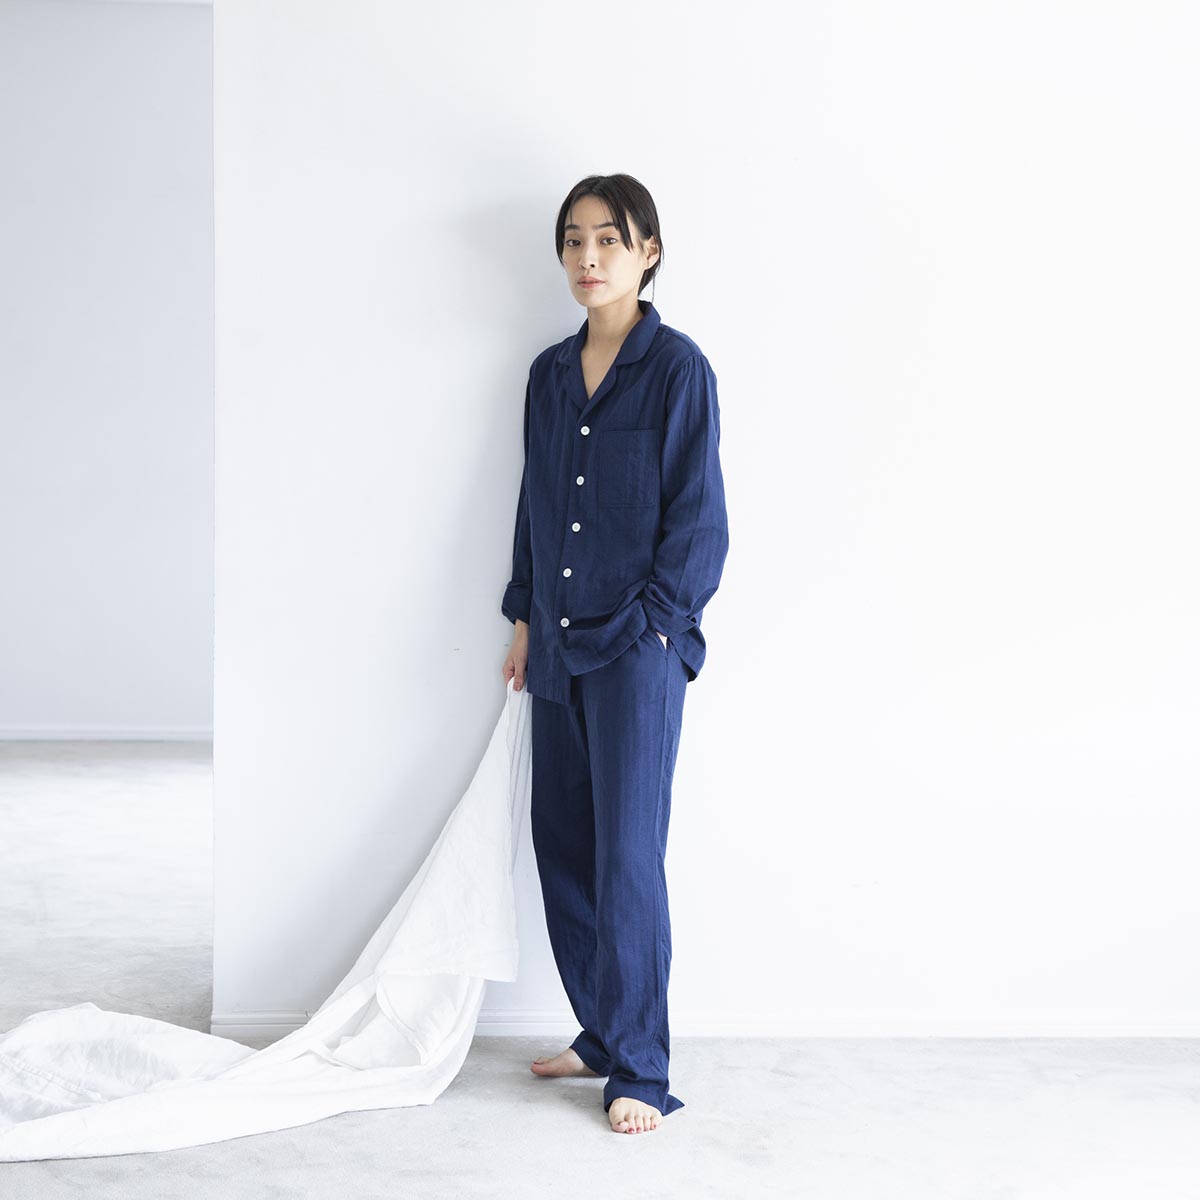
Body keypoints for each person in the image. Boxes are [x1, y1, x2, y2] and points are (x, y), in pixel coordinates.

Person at [500, 173, 729, 1135]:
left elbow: (700, 520)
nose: (587, 258)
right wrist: (522, 614)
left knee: (628, 856)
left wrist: (657, 627)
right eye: (573, 240)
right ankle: (601, 1031)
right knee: (563, 844)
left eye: (608, 239)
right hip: (555, 641)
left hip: (637, 650)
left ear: (649, 252)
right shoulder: (549, 374)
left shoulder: (678, 370)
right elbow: (537, 502)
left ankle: (640, 1068)